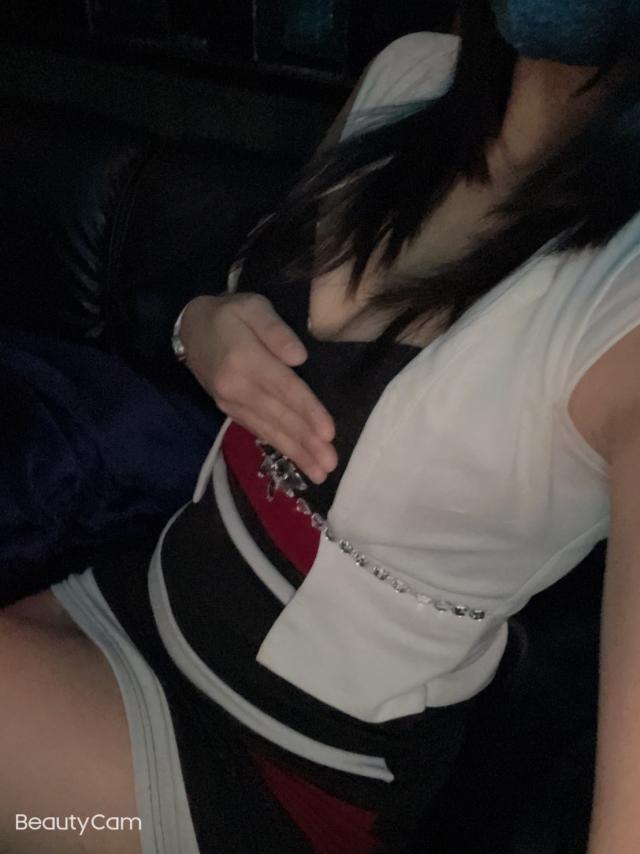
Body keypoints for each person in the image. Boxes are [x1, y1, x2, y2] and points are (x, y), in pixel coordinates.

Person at [2, 1, 640, 851]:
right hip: (139, 598)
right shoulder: (411, 75)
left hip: (276, 761)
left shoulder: (627, 298)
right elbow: (247, 295)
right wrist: (199, 327)